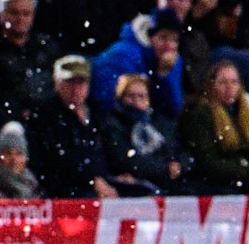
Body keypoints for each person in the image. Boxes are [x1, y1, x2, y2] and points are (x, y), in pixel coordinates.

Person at [27, 55, 118, 199]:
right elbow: (58, 160)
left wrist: (119, 174)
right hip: (63, 191)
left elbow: (110, 149)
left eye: (81, 82)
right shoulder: (46, 115)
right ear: (57, 84)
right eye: (70, 82)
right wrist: (92, 181)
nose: (75, 89)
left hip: (101, 181)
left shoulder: (96, 113)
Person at [91, 9, 185, 121]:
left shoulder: (173, 61)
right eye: (163, 38)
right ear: (149, 37)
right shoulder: (124, 53)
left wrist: (162, 75)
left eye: (174, 40)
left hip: (143, 121)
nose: (169, 46)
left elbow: (173, 110)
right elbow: (106, 99)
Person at [102, 71, 186, 195]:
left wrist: (179, 166)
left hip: (168, 183)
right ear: (120, 97)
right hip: (136, 186)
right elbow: (126, 160)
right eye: (131, 95)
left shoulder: (159, 122)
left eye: (141, 96)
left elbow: (179, 150)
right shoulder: (113, 124)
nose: (136, 101)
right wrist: (165, 169)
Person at [180, 59, 249, 192]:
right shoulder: (202, 114)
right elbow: (208, 162)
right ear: (212, 86)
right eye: (223, 82)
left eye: (234, 82)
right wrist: (242, 167)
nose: (229, 87)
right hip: (216, 184)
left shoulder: (243, 112)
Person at [0, 0, 60, 119]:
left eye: (26, 14)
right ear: (1, 14)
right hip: (3, 117)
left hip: (46, 117)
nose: (20, 19)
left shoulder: (47, 47)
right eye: (14, 13)